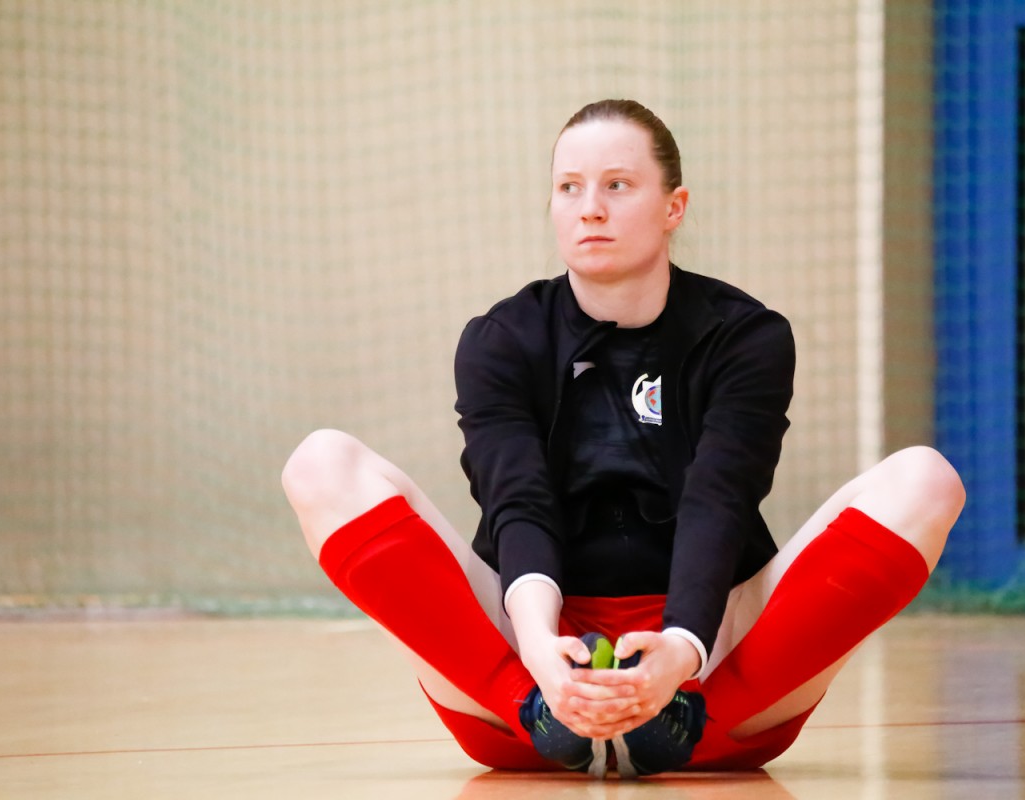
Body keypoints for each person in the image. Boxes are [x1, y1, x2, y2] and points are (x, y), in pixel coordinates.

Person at [281, 99, 966, 779]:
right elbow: (518, 503)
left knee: (925, 480)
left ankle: (686, 724)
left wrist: (681, 651)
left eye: (617, 185)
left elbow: (718, 500)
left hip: (712, 663)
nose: (590, 209)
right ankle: (534, 710)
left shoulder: (745, 336)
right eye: (569, 187)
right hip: (527, 676)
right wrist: (539, 656)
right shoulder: (501, 339)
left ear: (674, 207)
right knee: (321, 464)